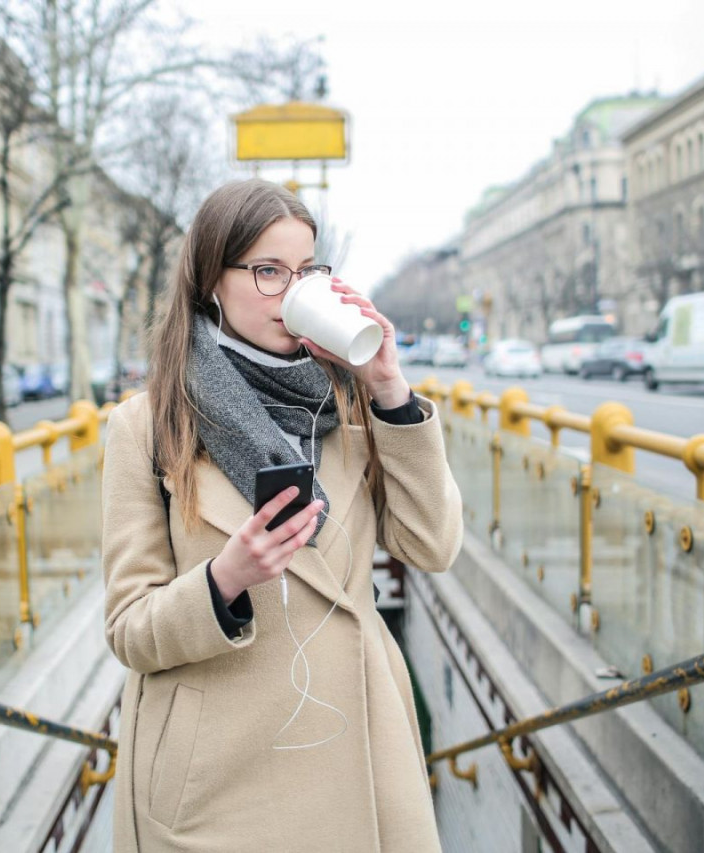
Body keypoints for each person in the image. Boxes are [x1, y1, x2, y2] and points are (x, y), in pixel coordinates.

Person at [101, 179, 463, 852]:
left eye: (307, 272)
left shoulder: (352, 404)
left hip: (356, 754)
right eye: (268, 271)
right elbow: (129, 630)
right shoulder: (147, 425)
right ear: (212, 277)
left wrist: (390, 389)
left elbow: (432, 545)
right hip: (217, 780)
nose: (292, 292)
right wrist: (223, 580)